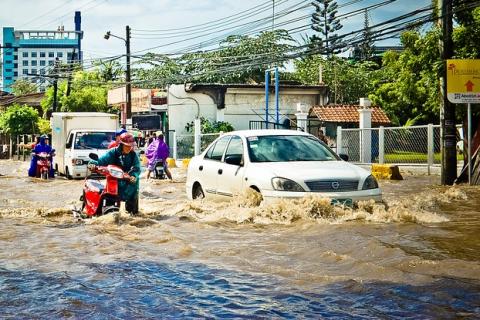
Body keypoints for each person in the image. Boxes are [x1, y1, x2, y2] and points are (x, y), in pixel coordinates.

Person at [88, 132, 141, 215]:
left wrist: (134, 176)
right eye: (127, 146)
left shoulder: (133, 155)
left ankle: (133, 212)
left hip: (129, 180)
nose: (129, 148)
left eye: (130, 146)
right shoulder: (113, 153)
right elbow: (101, 161)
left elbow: (137, 168)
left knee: (133, 211)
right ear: (121, 144)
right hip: (115, 179)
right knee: (109, 195)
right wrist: (92, 163)